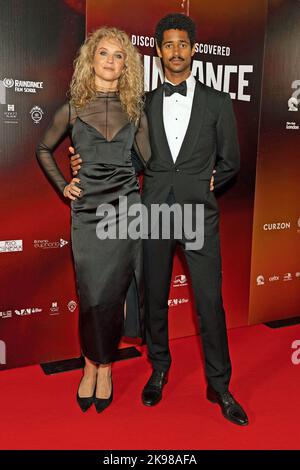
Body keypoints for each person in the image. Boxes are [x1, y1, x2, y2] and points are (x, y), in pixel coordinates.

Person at [71, 14, 249, 426]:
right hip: (152, 214)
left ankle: (220, 386)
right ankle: (160, 369)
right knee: (153, 300)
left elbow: (231, 162)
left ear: (193, 49)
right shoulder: (142, 102)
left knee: (208, 302)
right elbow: (128, 158)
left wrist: (205, 185)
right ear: (158, 50)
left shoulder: (217, 102)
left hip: (197, 215)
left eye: (182, 44)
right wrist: (85, 159)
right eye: (167, 44)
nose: (175, 51)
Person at [36, 27, 151, 413]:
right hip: (87, 210)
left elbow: (150, 161)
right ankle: (90, 364)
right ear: (91, 59)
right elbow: (42, 148)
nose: (111, 61)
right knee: (91, 294)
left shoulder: (135, 109)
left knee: (115, 292)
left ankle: (106, 367)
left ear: (127, 65)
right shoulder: (72, 108)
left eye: (119, 56)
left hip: (124, 207)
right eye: (104, 53)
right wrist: (62, 185)